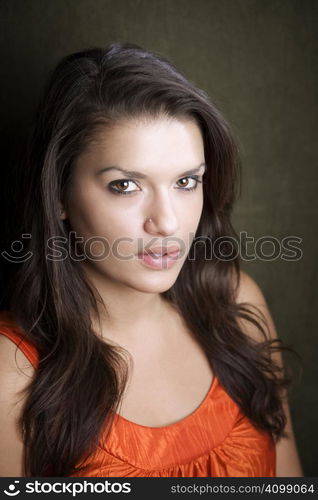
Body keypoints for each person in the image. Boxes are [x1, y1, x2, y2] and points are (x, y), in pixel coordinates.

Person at [0, 42, 303, 477]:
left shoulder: (236, 304)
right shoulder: (12, 374)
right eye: (125, 186)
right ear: (60, 194)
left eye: (185, 181)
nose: (167, 222)